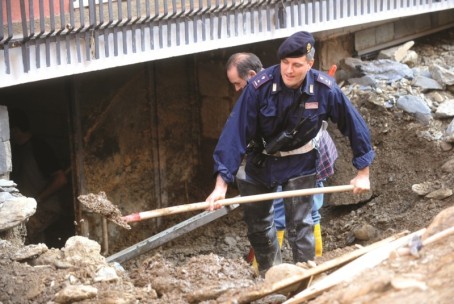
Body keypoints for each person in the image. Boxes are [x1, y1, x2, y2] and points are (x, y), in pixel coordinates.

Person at [206, 31, 374, 275]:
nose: (289, 70)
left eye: (297, 65)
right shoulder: (258, 87)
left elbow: (354, 125)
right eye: (285, 63)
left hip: (300, 161)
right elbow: (234, 133)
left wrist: (363, 171)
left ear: (310, 64)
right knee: (259, 225)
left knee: (301, 225)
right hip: (261, 161)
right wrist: (221, 184)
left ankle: (305, 277)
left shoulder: (324, 89)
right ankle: (269, 276)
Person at [225, 52, 338, 258]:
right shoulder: (261, 90)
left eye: (238, 82)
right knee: (293, 210)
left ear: (251, 75)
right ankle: (275, 266)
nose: (237, 89)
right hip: (287, 156)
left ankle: (305, 265)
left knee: (301, 211)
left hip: (309, 155)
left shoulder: (278, 89)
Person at [9, 108, 68, 245]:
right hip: (29, 209)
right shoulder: (18, 151)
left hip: (46, 208)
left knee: (19, 235)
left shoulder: (39, 147)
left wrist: (37, 199)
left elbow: (61, 179)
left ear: (15, 130)